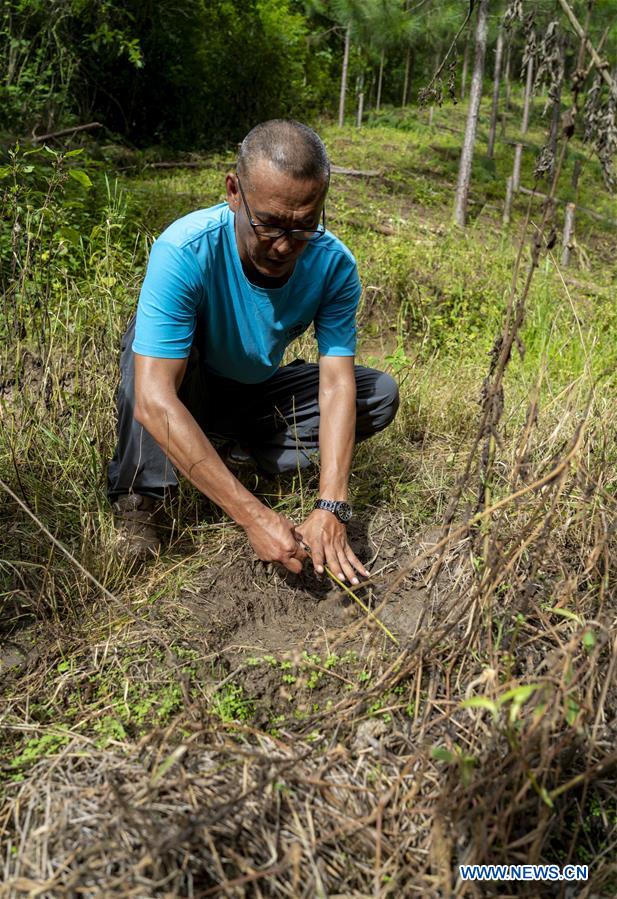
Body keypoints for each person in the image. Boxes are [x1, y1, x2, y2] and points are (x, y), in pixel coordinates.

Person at [108, 119, 399, 584]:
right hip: (191, 389)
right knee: (146, 345)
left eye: (305, 226)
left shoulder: (334, 265)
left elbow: (336, 383)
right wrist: (252, 515)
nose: (284, 245)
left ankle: (228, 455)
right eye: (270, 224)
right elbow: (153, 397)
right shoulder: (185, 250)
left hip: (253, 395)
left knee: (377, 393)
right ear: (233, 191)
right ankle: (140, 502)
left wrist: (331, 505)